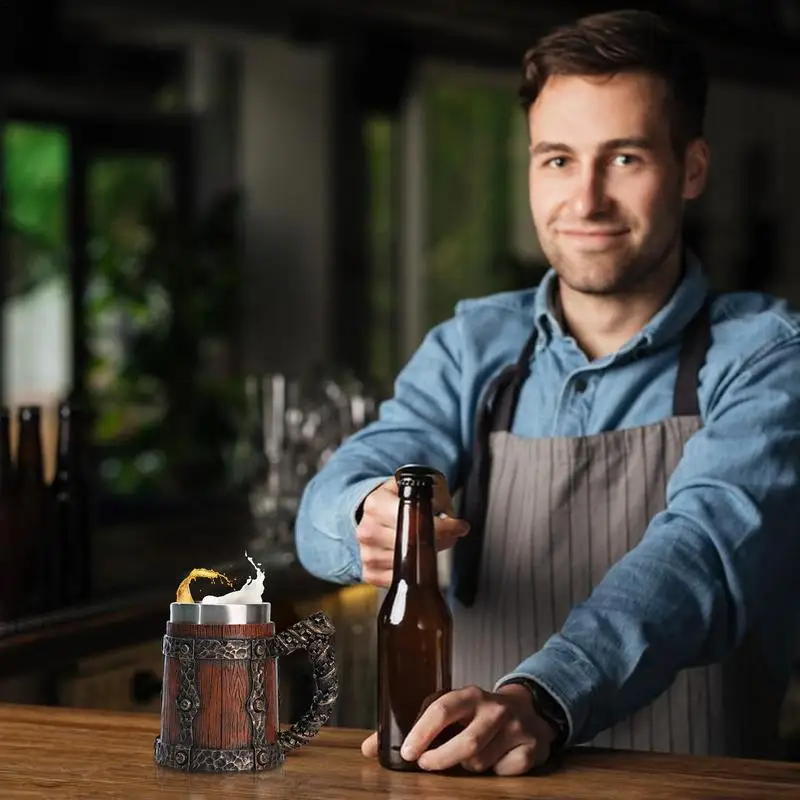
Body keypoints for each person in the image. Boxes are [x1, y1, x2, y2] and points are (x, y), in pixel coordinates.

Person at [295, 8, 800, 775]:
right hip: (473, 781)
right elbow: (331, 499)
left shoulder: (767, 355)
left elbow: (700, 555)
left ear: (692, 168)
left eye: (624, 158)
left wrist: (542, 697)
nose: (586, 198)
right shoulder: (473, 347)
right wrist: (372, 508)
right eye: (557, 159)